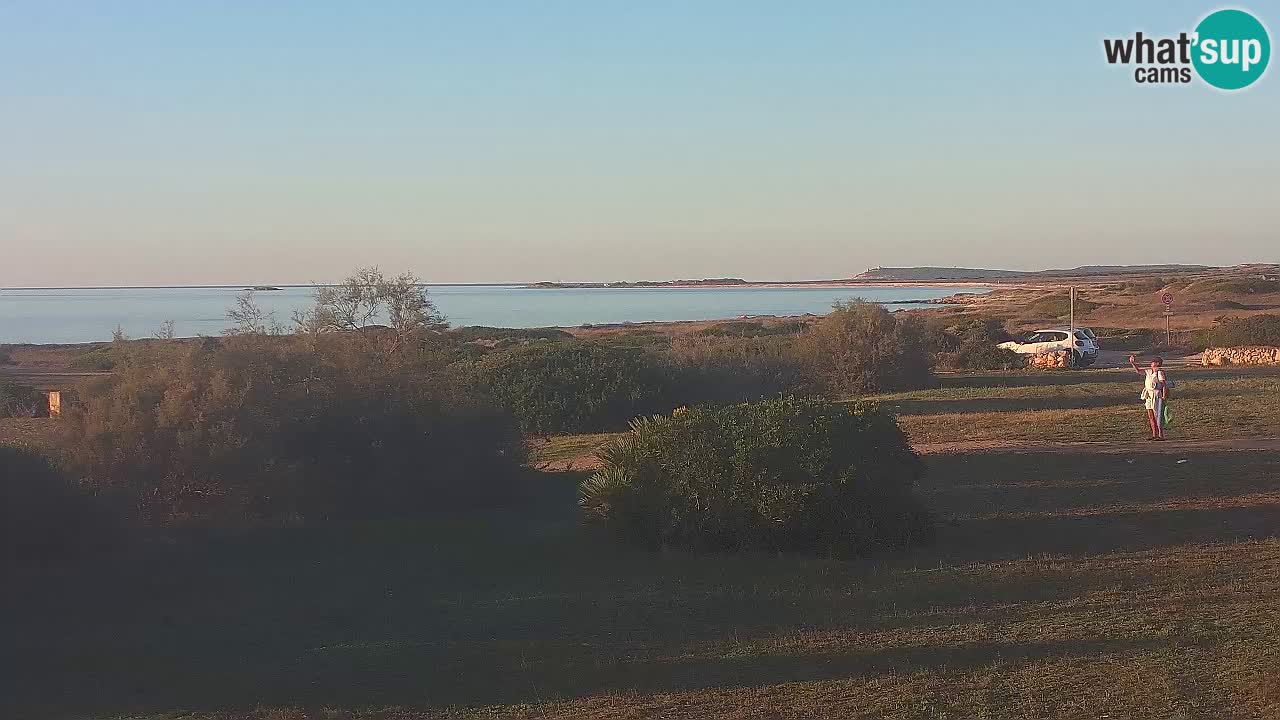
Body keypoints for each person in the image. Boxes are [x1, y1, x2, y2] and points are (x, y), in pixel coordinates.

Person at [1129, 355, 1167, 440]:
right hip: (1148, 394)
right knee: (1151, 415)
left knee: (1157, 414)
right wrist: (1133, 363)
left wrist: (1164, 395)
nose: (1151, 363)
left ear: (1157, 363)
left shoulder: (1159, 372)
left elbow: (1163, 385)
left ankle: (1161, 435)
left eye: (1153, 362)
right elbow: (1138, 371)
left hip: (1156, 394)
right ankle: (1154, 434)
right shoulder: (1149, 371)